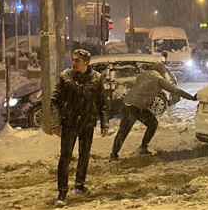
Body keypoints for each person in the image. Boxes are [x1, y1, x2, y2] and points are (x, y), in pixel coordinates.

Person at [50, 49, 109, 206]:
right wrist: (56, 122)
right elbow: (54, 101)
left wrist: (104, 122)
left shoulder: (96, 78)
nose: (74, 63)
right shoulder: (65, 77)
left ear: (86, 63)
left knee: (84, 154)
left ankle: (79, 185)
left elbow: (102, 102)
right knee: (65, 158)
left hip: (87, 123)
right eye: (73, 60)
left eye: (77, 61)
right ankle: (62, 192)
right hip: (69, 123)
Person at [110, 62, 196, 160]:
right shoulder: (159, 80)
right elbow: (175, 91)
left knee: (123, 130)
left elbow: (143, 90)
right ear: (162, 72)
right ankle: (143, 147)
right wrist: (191, 97)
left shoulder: (142, 75)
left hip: (127, 103)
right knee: (153, 123)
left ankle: (114, 154)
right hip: (138, 107)